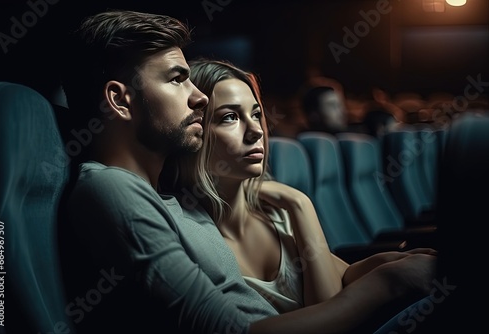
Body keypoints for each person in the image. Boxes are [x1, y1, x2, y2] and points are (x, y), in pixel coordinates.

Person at [60, 9, 436, 334]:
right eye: (177, 79)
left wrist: (388, 264)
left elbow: (329, 279)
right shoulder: (111, 188)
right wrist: (388, 282)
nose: (199, 97)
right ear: (119, 100)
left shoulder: (169, 201)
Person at [163, 58, 438, 331]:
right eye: (230, 117)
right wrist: (301, 205)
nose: (257, 130)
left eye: (256, 114)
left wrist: (384, 261)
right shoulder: (188, 237)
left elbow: (336, 276)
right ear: (192, 131)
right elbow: (335, 310)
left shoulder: (272, 212)